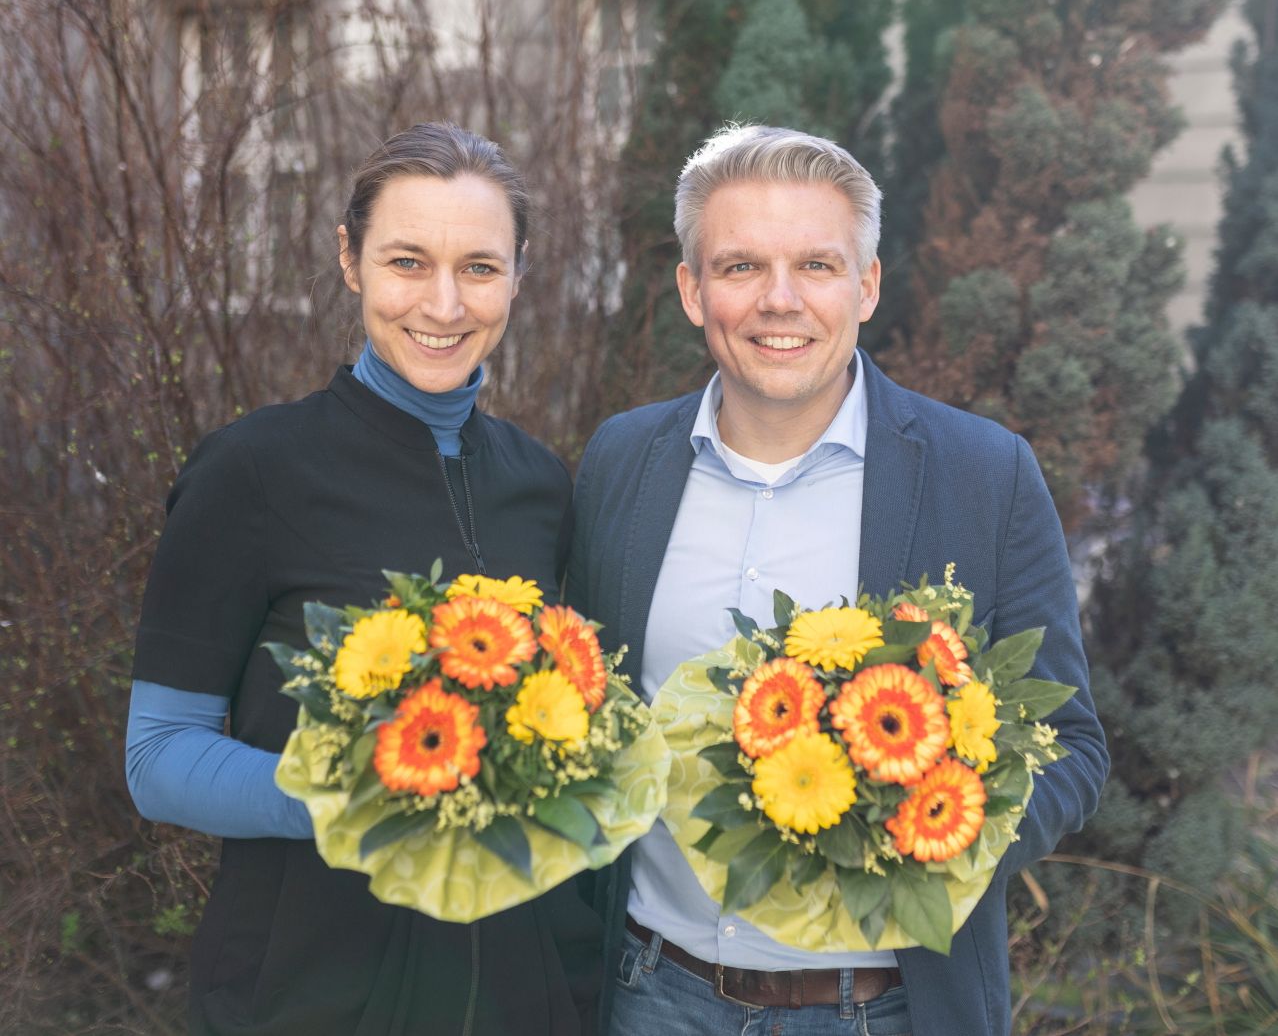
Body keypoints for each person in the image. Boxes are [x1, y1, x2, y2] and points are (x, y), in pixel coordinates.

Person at [567, 125, 1108, 1036]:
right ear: (694, 292)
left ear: (867, 285)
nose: (781, 301)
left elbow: (1072, 747)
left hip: (885, 1009)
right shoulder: (621, 460)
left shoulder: (982, 473)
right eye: (741, 268)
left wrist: (932, 839)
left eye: (816, 265)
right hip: (645, 994)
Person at [126, 123, 601, 1036]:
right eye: (408, 261)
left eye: (480, 267)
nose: (444, 302)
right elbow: (157, 759)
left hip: (517, 992)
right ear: (350, 262)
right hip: (307, 990)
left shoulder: (541, 483)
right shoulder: (252, 471)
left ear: (518, 274)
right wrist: (367, 800)